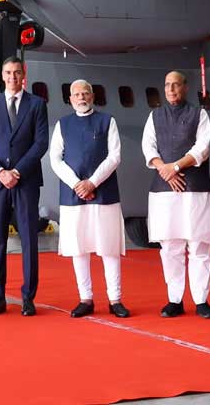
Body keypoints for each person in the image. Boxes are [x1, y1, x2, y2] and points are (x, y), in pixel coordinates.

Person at [47, 79, 130, 319]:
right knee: (78, 248)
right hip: (73, 194)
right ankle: (86, 298)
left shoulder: (107, 121)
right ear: (70, 99)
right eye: (76, 94)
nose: (81, 97)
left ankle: (115, 299)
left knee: (109, 247)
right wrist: (77, 184)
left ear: (92, 97)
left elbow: (114, 156)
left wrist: (92, 182)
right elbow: (55, 159)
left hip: (104, 192)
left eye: (85, 93)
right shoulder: (63, 124)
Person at [141, 70, 210, 318]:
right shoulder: (154, 116)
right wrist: (166, 170)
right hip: (164, 191)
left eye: (176, 85)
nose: (171, 90)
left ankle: (201, 300)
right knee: (170, 247)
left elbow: (202, 148)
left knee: (199, 246)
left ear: (186, 88)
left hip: (195, 189)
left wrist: (175, 167)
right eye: (167, 85)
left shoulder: (200, 114)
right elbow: (148, 146)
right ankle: (174, 299)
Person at [0, 55, 48, 316]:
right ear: (2, 76)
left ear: (23, 74)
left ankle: (28, 297)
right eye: (8, 73)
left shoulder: (37, 105)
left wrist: (16, 171)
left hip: (26, 180)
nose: (12, 77)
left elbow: (41, 143)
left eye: (17, 72)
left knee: (29, 238)